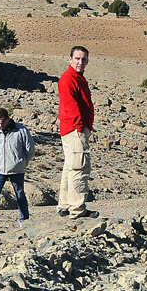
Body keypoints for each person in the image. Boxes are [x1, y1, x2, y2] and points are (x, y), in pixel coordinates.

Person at [0, 108, 35, 231]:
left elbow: (30, 150)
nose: (0, 125)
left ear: (8, 118)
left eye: (2, 122)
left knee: (20, 194)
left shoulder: (21, 130)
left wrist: (22, 163)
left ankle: (24, 220)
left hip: (17, 169)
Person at [57, 45, 98, 219]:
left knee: (70, 166)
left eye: (83, 59)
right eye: (77, 58)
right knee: (79, 167)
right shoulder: (68, 79)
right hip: (75, 129)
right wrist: (80, 128)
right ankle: (77, 209)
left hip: (74, 128)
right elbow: (70, 106)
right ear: (70, 59)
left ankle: (65, 205)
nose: (80, 62)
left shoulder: (78, 78)